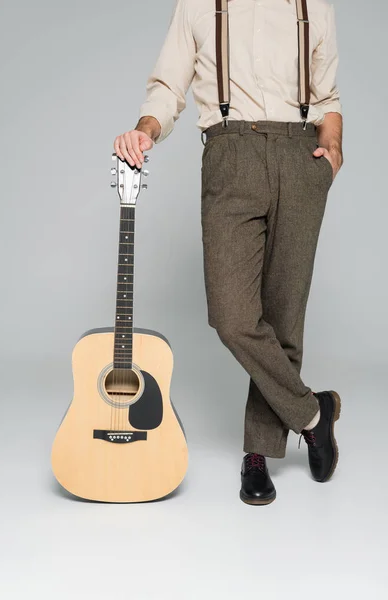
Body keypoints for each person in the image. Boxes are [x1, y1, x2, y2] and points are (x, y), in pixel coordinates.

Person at [113, 0, 343, 505]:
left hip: (301, 156)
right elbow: (169, 84)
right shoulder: (198, 3)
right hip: (229, 153)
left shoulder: (312, 4)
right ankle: (312, 414)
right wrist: (145, 130)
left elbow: (327, 95)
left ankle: (257, 454)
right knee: (232, 315)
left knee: (283, 316)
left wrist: (332, 156)